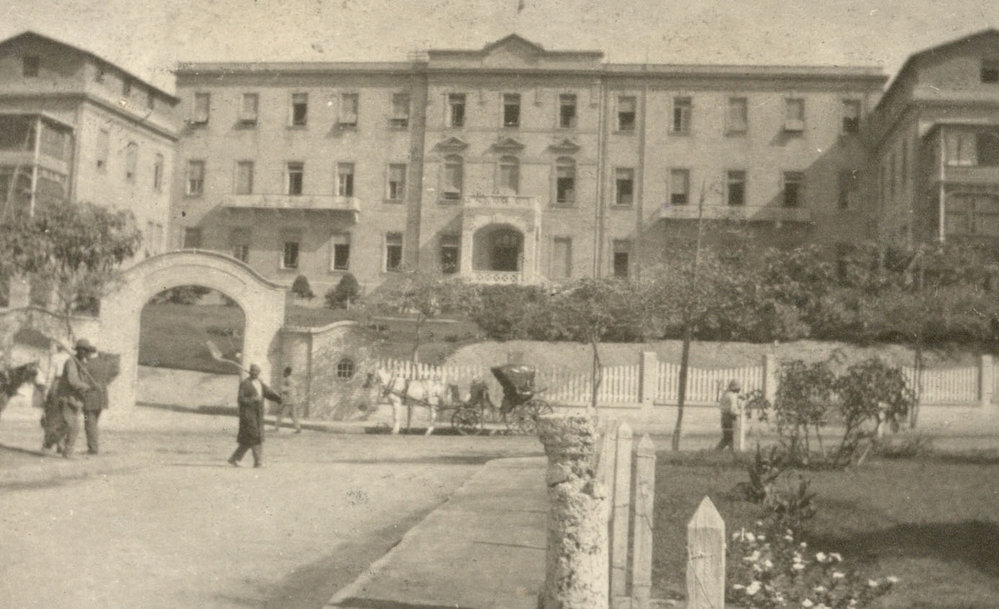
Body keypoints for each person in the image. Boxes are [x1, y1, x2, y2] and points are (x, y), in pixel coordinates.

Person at [228, 364, 281, 468]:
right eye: (253, 371)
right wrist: (253, 399)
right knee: (255, 437)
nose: (254, 373)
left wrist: (279, 399)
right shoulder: (245, 384)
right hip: (248, 415)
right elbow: (241, 399)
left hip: (258, 415)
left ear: (259, 373)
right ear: (250, 372)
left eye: (256, 371)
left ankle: (235, 459)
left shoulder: (260, 383)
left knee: (248, 439)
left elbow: (268, 392)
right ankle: (258, 462)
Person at [53, 339, 98, 459]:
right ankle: (67, 451)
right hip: (67, 397)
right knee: (74, 425)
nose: (85, 353)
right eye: (83, 350)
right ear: (79, 350)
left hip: (76, 399)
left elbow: (82, 380)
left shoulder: (81, 364)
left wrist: (91, 386)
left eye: (87, 351)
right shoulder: (71, 362)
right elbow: (72, 381)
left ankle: (58, 444)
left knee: (66, 425)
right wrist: (88, 387)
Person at [716, 379, 742, 451]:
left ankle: (731, 452)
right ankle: (717, 451)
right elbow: (733, 411)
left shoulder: (726, 394)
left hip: (724, 417)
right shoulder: (732, 397)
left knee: (729, 437)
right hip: (729, 418)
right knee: (728, 437)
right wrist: (740, 413)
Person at [274, 366, 302, 433]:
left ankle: (276, 428)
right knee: (293, 415)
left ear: (287, 373)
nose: (283, 373)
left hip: (289, 401)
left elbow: (285, 389)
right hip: (293, 400)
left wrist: (281, 391)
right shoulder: (292, 379)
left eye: (284, 372)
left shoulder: (287, 380)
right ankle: (298, 428)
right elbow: (296, 387)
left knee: (281, 414)